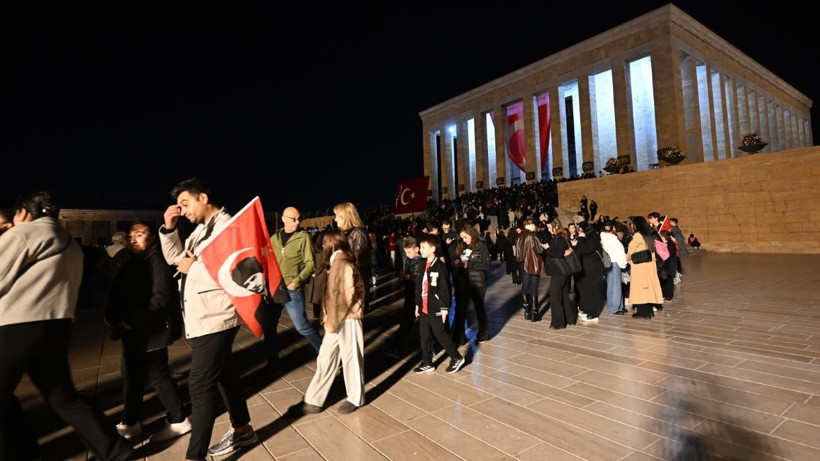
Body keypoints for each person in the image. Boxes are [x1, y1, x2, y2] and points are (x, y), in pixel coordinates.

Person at [0, 191, 134, 461]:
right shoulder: (69, 243)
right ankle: (114, 449)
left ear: (23, 212)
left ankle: (20, 453)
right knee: (63, 397)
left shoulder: (23, 234)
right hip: (57, 327)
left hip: (17, 325)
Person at [158, 178, 258, 460]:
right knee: (225, 374)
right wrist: (169, 228)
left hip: (217, 315)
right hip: (201, 313)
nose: (183, 210)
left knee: (200, 385)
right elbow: (175, 260)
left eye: (185, 203)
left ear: (203, 197)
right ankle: (243, 429)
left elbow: (239, 269)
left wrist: (195, 267)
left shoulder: (229, 226)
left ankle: (195, 456)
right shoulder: (199, 230)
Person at [106, 221, 190, 443]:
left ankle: (179, 419)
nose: (133, 238)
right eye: (131, 235)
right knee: (131, 377)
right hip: (134, 332)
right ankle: (131, 422)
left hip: (152, 332)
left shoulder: (156, 262)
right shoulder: (133, 262)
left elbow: (160, 299)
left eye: (139, 234)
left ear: (152, 238)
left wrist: (133, 321)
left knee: (158, 376)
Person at [285, 230, 366, 416]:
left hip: (348, 317)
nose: (321, 248)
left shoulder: (343, 262)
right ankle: (313, 399)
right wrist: (327, 316)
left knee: (351, 359)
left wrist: (332, 320)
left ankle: (355, 398)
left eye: (323, 245)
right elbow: (331, 296)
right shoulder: (336, 262)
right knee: (326, 357)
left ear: (331, 245)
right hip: (336, 319)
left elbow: (345, 296)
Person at [267, 206, 323, 367]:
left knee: (302, 326)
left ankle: (325, 354)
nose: (298, 222)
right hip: (275, 288)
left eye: (299, 219)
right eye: (294, 219)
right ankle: (272, 362)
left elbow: (310, 264)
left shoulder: (303, 237)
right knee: (270, 327)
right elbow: (268, 259)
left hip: (292, 290)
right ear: (284, 218)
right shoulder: (274, 238)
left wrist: (296, 282)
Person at [413, 234, 466, 374]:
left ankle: (456, 357)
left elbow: (445, 288)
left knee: (440, 334)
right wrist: (417, 304)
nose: (420, 249)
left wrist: (444, 308)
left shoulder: (440, 266)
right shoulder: (423, 265)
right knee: (423, 336)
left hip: (436, 306)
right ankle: (427, 362)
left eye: (424, 247)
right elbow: (419, 287)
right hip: (424, 307)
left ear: (432, 248)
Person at [382, 236, 425, 359]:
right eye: (406, 252)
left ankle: (397, 346)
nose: (408, 254)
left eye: (409, 252)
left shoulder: (418, 262)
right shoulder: (411, 261)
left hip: (414, 297)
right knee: (408, 322)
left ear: (417, 249)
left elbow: (417, 281)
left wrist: (407, 278)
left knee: (408, 322)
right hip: (410, 295)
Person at [451, 224, 491, 344]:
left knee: (479, 310)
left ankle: (484, 334)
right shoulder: (462, 246)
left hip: (477, 283)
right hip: (464, 283)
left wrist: (469, 265)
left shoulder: (481, 247)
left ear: (471, 234)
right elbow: (459, 260)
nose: (464, 240)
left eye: (465, 237)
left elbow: (486, 265)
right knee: (461, 309)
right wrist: (458, 262)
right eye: (462, 238)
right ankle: (459, 336)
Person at [333, 202, 372, 310]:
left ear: (345, 217)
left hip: (353, 286)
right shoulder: (345, 233)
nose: (335, 219)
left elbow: (359, 263)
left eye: (337, 216)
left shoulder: (358, 233)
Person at [627, 216, 664, 319]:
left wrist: (627, 258)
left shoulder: (638, 235)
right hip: (649, 264)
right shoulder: (648, 234)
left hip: (640, 265)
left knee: (640, 288)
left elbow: (631, 249)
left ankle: (642, 312)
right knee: (648, 288)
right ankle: (649, 311)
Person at [543, 217, 575, 330]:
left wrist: (547, 248)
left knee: (554, 296)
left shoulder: (559, 238)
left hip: (559, 271)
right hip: (561, 270)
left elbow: (559, 253)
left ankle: (558, 323)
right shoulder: (559, 237)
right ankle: (570, 319)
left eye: (550, 227)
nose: (549, 230)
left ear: (556, 226)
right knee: (563, 295)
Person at [574, 223, 606, 324]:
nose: (579, 232)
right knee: (584, 290)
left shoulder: (592, 239)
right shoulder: (586, 239)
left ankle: (593, 314)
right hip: (584, 270)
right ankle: (585, 309)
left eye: (581, 230)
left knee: (591, 292)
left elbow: (587, 250)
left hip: (592, 270)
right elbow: (579, 251)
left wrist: (581, 239)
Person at [515, 218, 543, 322]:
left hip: (523, 264)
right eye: (534, 225)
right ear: (531, 225)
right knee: (534, 288)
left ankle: (527, 311)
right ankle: (534, 314)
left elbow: (517, 254)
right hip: (532, 263)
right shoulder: (532, 235)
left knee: (525, 287)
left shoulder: (519, 236)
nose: (535, 227)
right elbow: (539, 249)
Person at [600, 221, 628, 315]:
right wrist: (624, 264)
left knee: (613, 285)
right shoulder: (613, 239)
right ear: (613, 228)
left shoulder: (603, 237)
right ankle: (614, 307)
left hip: (609, 263)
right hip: (615, 263)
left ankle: (619, 306)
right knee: (615, 286)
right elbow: (619, 252)